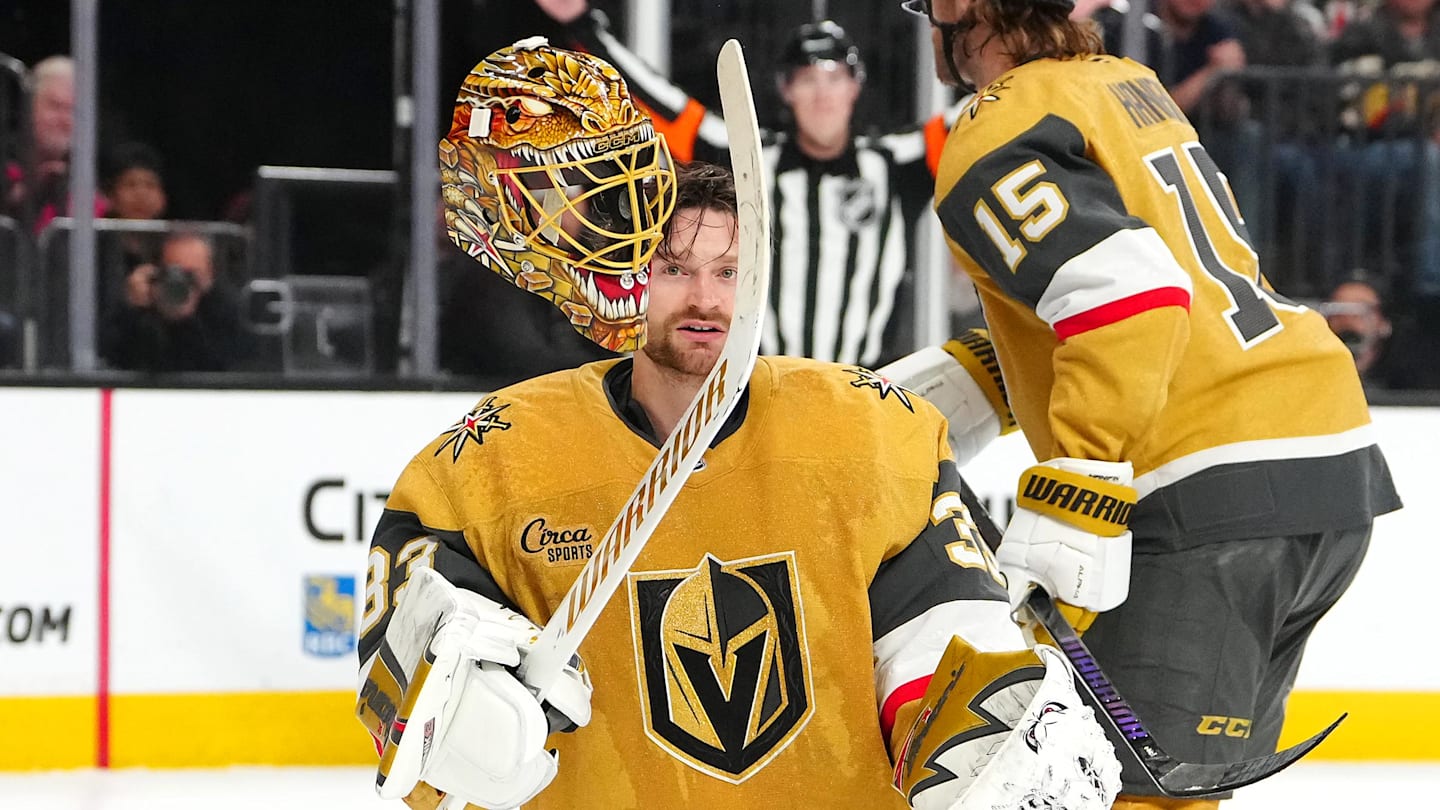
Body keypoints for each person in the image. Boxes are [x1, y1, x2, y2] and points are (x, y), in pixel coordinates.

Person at [357, 39, 1120, 810]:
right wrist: (465, 704)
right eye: (674, 270)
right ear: (629, 275)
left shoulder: (873, 435)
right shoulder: (489, 461)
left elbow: (941, 635)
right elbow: (408, 688)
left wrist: (983, 735)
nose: (706, 299)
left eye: (729, 272)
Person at [893, 1, 1401, 808]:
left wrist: (1078, 489)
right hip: (1321, 469)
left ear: (963, 17)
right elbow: (1156, 292)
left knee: (1131, 794)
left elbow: (1132, 297)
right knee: (1179, 792)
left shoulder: (993, 127)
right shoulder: (1125, 84)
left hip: (1209, 492)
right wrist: (947, 392)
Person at [536, 0, 954, 368]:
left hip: (861, 384)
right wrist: (583, 23)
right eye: (807, 79)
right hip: (757, 381)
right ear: (786, 91)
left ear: (854, 86)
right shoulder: (752, 158)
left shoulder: (898, 163)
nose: (822, 94)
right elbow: (661, 104)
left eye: (834, 77)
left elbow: (987, 111)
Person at [100, 228, 246, 372]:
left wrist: (186, 320)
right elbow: (113, 357)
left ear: (210, 273)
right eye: (174, 272)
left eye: (191, 274)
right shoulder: (146, 301)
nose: (181, 282)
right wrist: (130, 308)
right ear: (158, 270)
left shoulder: (225, 308)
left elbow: (223, 366)